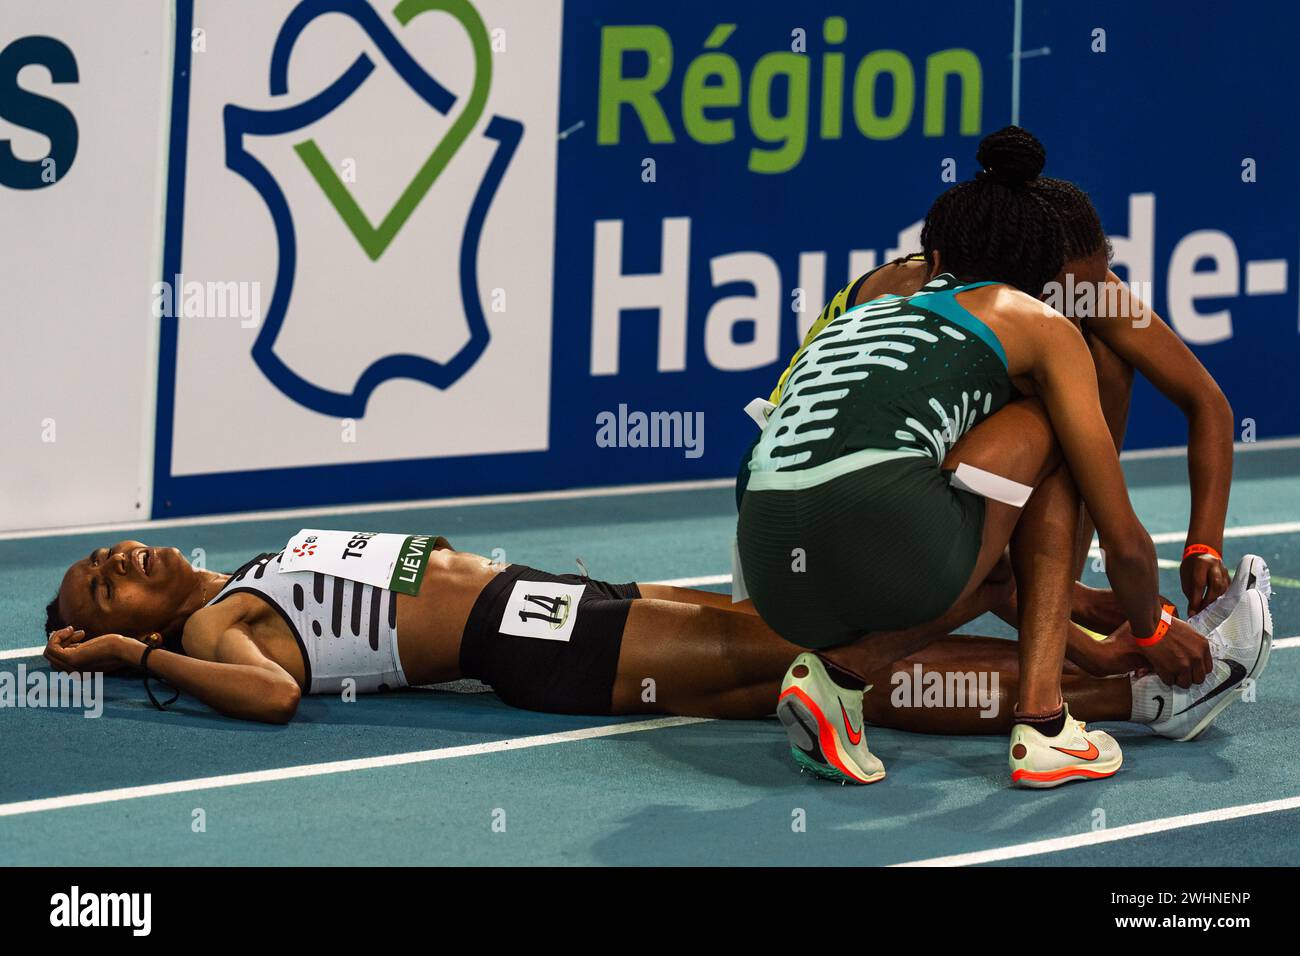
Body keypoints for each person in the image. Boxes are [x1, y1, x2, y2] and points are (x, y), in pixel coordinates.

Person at [735, 127, 1222, 788]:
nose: (1080, 308)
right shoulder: (1034, 318)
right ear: (1042, 268)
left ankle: (843, 671)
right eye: (1070, 294)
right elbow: (1122, 543)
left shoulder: (905, 297)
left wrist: (1197, 552)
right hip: (878, 533)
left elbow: (1205, 402)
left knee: (984, 533)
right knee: (1059, 431)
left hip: (767, 556)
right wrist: (1144, 632)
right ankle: (1046, 723)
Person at [40, 538, 1268, 754]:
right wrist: (132, 660)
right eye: (107, 584)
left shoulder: (246, 566)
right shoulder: (211, 626)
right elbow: (265, 697)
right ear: (118, 623)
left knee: (841, 642)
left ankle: (1136, 655)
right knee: (855, 665)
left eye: (114, 551)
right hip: (550, 652)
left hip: (557, 600)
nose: (124, 559)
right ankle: (1136, 685)